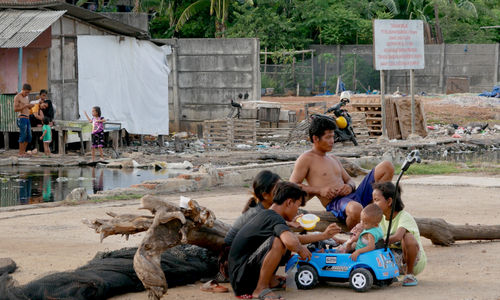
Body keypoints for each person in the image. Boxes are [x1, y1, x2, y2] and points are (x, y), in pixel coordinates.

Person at [228, 182, 341, 300]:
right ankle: (261, 288)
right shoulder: (273, 217)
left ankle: (271, 281)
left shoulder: (271, 216)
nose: (298, 211)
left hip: (241, 274)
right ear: (289, 202)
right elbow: (290, 242)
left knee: (283, 240)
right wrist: (300, 249)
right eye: (298, 206)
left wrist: (323, 235)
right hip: (241, 277)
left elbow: (294, 238)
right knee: (279, 242)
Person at [290, 116, 394, 229]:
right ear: (315, 139)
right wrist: (319, 190)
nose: (332, 141)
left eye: (333, 137)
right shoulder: (306, 158)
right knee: (356, 209)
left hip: (355, 196)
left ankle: (373, 213)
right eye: (328, 137)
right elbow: (292, 185)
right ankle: (356, 238)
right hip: (337, 202)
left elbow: (350, 180)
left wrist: (349, 186)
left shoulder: (333, 158)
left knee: (386, 166)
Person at [372, 181, 427, 286]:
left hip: (413, 260)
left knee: (408, 237)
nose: (374, 204)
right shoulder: (380, 219)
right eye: (373, 200)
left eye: (376, 200)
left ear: (389, 201)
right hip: (394, 259)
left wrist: (380, 241)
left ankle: (409, 275)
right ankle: (390, 275)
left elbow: (397, 237)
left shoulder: (404, 216)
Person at [14, 83, 34, 157]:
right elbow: (15, 109)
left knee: (29, 136)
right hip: (21, 118)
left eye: (28, 92)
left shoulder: (26, 98)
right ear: (22, 90)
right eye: (26, 92)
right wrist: (25, 106)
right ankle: (20, 153)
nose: (27, 94)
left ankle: (23, 152)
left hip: (27, 118)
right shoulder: (17, 97)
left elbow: (27, 108)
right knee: (23, 135)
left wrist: (30, 106)